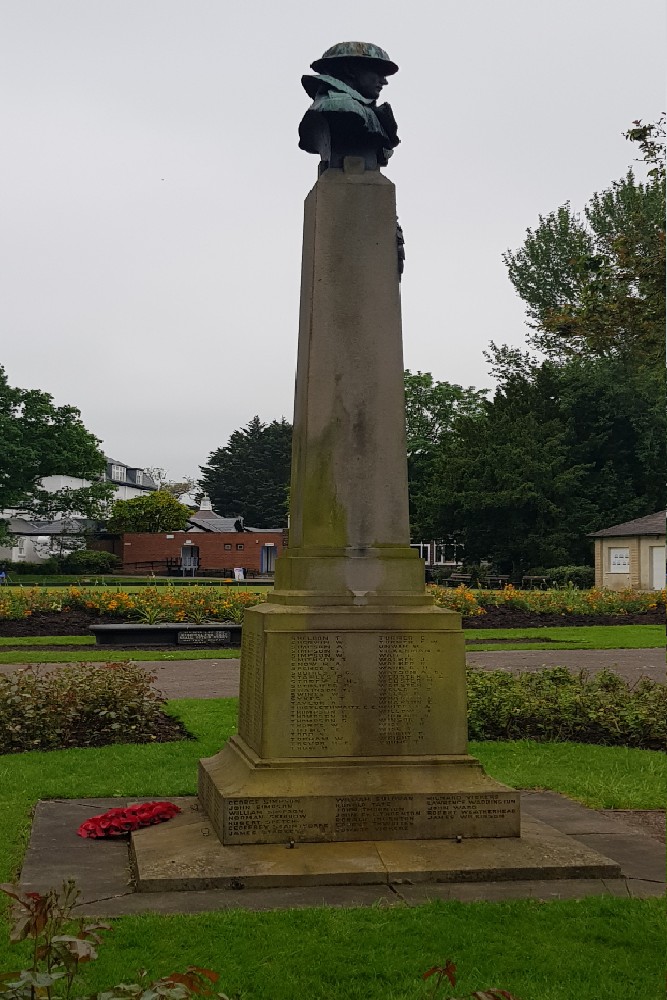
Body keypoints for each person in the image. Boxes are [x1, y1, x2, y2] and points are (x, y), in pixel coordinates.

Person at [299, 41, 400, 170]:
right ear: (350, 70)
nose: (384, 81)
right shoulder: (340, 106)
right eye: (378, 72)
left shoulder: (366, 110)